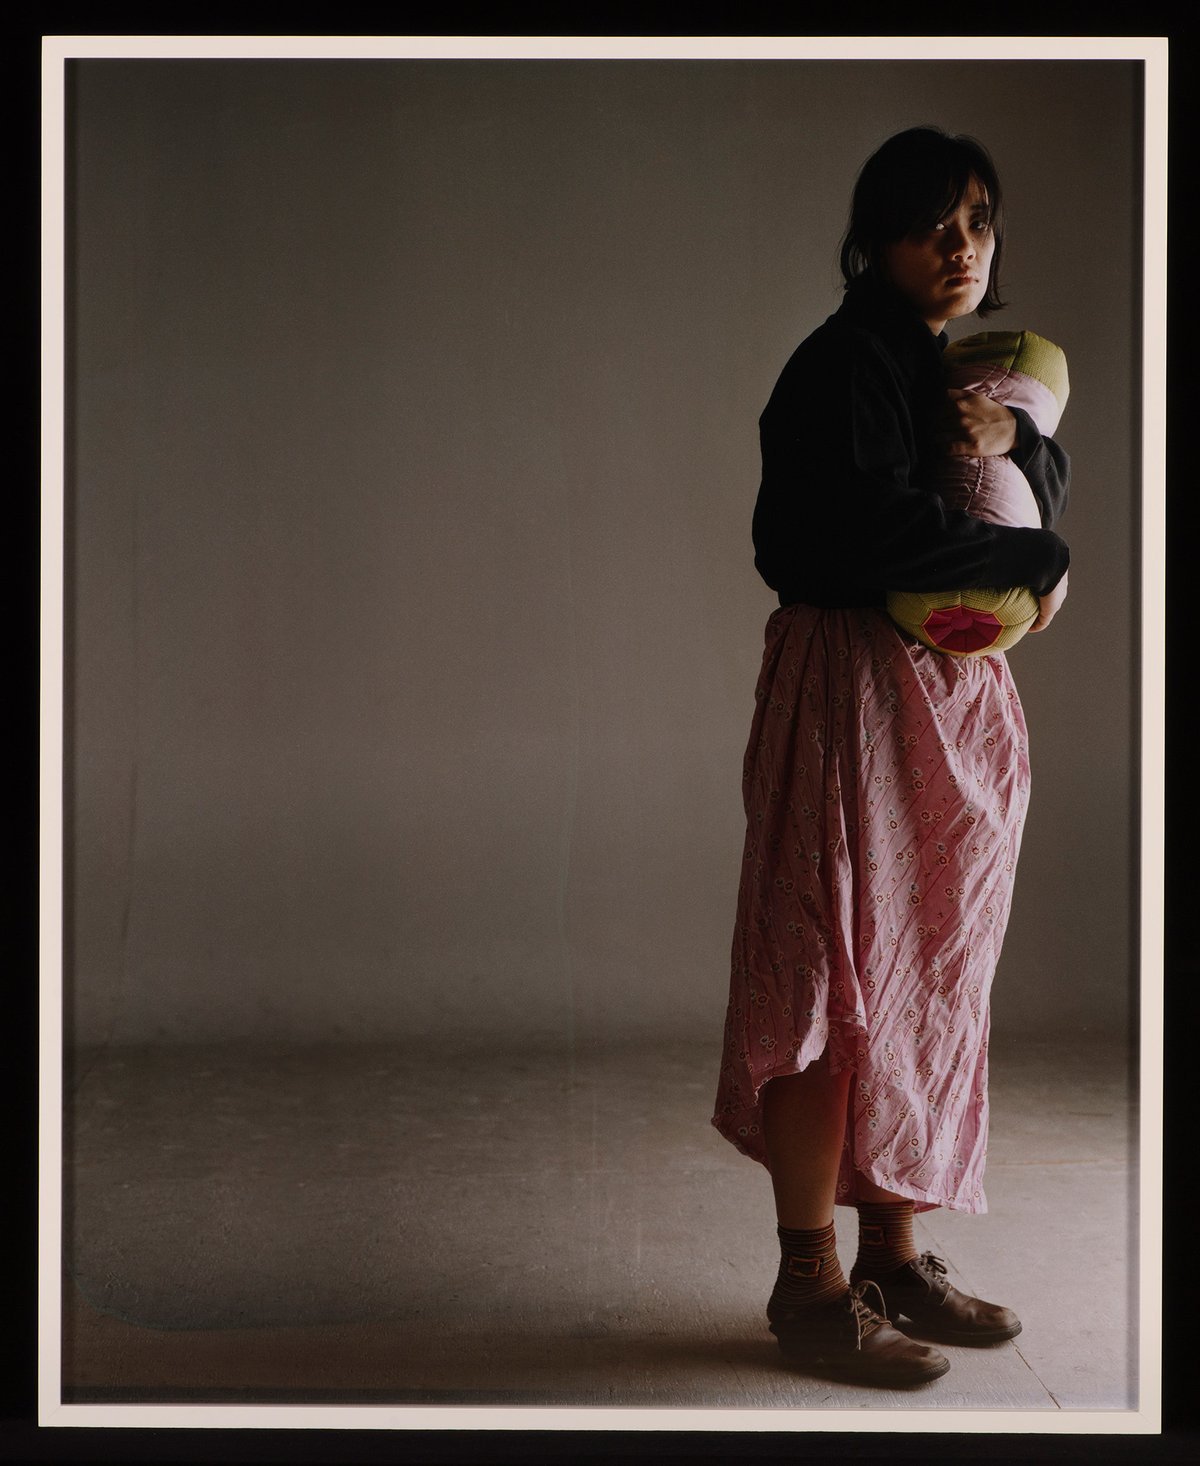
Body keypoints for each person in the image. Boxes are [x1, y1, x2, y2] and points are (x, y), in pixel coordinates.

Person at [711, 126, 1070, 1388]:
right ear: (876, 238)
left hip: (935, 707)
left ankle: (891, 1256)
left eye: (978, 220)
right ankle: (810, 1286)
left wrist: (1013, 451)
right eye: (932, 221)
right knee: (831, 977)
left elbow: (1025, 480)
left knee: (917, 976)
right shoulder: (844, 363)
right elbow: (855, 533)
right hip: (850, 692)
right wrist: (1036, 561)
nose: (960, 244)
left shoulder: (949, 366)